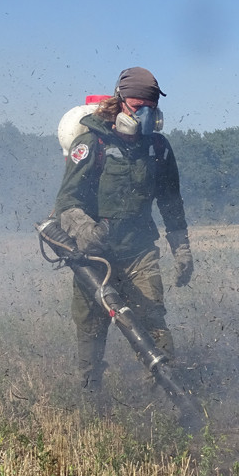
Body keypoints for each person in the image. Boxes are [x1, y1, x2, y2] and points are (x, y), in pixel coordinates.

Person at [52, 67, 193, 393]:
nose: (144, 114)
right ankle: (91, 399)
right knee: (90, 329)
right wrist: (84, 228)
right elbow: (65, 203)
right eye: (137, 106)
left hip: (139, 251)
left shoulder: (158, 149)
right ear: (120, 102)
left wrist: (181, 247)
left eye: (151, 108)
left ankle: (162, 401)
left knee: (153, 323)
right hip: (93, 257)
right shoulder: (91, 143)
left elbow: (171, 202)